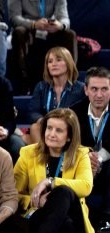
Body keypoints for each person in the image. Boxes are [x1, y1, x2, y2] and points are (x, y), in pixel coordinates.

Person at [14, 108, 94, 233]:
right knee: (66, 224)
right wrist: (35, 201)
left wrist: (50, 181)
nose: (51, 134)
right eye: (49, 128)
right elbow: (13, 194)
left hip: (73, 214)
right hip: (39, 214)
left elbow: (86, 186)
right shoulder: (28, 153)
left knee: (63, 191)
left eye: (59, 130)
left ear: (69, 136)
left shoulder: (81, 155)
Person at [71, 67, 110, 231]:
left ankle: (107, 218)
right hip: (81, 163)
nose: (99, 95)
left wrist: (99, 158)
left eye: (104, 89)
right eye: (94, 89)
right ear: (86, 90)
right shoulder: (73, 112)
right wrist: (87, 158)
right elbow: (69, 143)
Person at [8, 0, 77, 93]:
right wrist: (33, 24)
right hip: (29, 29)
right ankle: (24, 81)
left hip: (51, 29)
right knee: (19, 32)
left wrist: (60, 25)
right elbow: (15, 18)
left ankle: (70, 79)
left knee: (70, 35)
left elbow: (64, 18)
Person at [27, 47, 85, 144]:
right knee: (35, 128)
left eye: (58, 60)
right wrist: (44, 121)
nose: (53, 64)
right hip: (46, 127)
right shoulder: (41, 87)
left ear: (68, 62)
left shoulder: (80, 89)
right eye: (50, 61)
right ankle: (44, 158)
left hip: (69, 129)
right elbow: (33, 112)